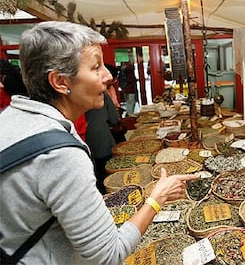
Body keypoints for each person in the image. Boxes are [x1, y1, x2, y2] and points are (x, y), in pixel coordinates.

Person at [0, 21, 199, 264]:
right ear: (60, 82)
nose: (107, 77)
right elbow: (108, 255)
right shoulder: (60, 154)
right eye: (96, 67)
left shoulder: (9, 119)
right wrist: (156, 199)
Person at [85, 90, 120, 194]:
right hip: (102, 137)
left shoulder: (76, 95)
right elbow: (113, 118)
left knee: (95, 173)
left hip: (86, 138)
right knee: (108, 170)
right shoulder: (101, 93)